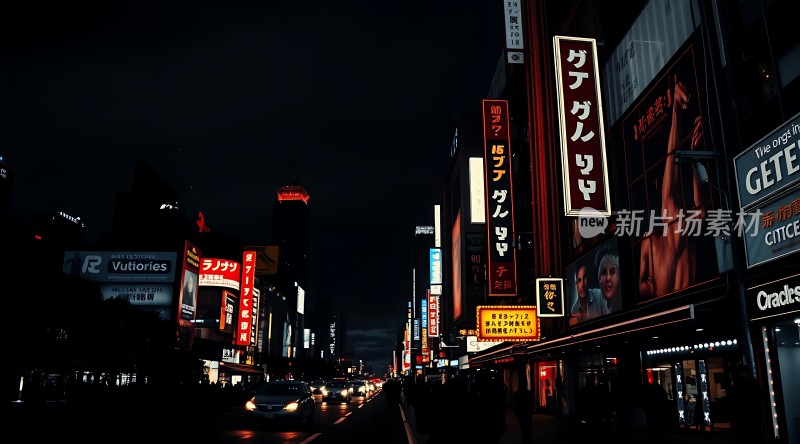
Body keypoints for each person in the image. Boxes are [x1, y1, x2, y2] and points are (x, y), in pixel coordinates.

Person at [639, 74, 709, 300]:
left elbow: (700, 211)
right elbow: (702, 210)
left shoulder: (655, 238)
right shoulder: (655, 240)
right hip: (678, 296)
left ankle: (678, 117)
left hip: (675, 297)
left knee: (673, 203)